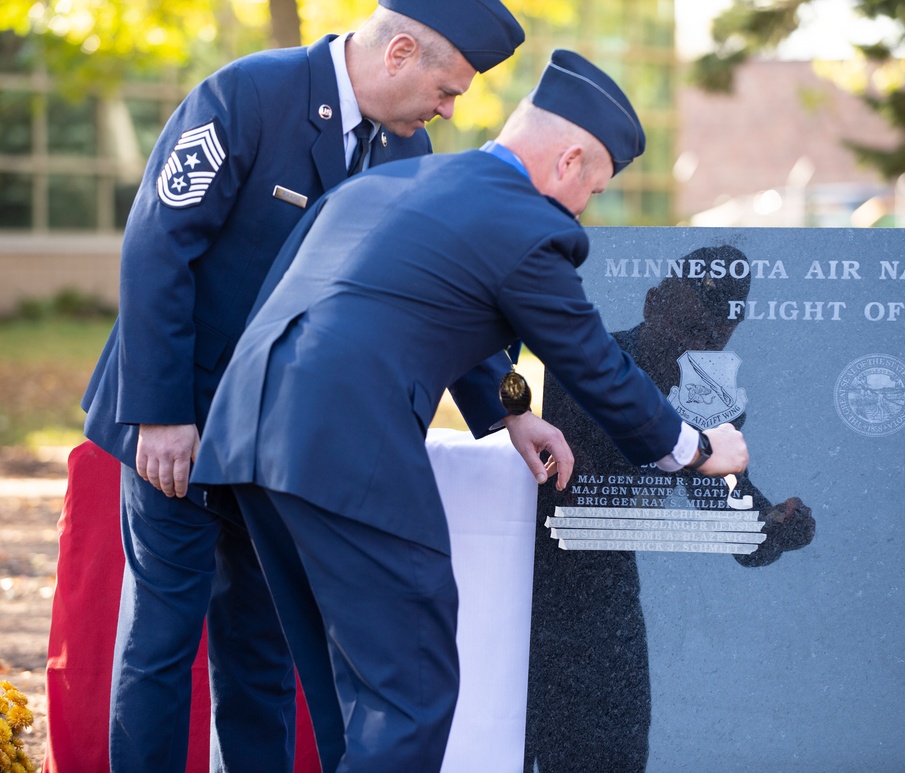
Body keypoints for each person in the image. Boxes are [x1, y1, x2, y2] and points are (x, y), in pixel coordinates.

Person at [190, 49, 751, 770]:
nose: (589, 207)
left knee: (349, 691)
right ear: (570, 160)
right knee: (411, 688)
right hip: (347, 450)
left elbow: (435, 311)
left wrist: (515, 409)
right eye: (598, 188)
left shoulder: (399, 182)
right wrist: (700, 448)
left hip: (247, 439)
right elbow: (594, 362)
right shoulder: (527, 224)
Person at [79, 1, 525, 770]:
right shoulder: (250, 94)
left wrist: (511, 413)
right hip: (177, 420)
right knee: (162, 639)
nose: (452, 110)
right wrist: (159, 415)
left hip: (278, 443)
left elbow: (436, 293)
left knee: (260, 652)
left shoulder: (406, 155)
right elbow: (159, 244)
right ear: (401, 52)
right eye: (448, 88)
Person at [525, 245, 816, 772]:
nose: (688, 342)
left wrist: (769, 525)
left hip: (606, 604)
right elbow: (563, 479)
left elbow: (721, 502)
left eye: (707, 335)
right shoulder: (579, 368)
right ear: (653, 300)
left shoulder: (710, 395)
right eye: (683, 323)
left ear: (728, 335)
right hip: (530, 588)